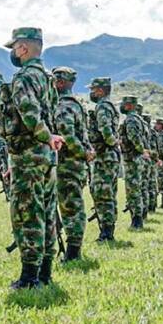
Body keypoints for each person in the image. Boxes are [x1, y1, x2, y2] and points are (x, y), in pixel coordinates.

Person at [0, 27, 64, 289]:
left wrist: (45, 137)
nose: (14, 53)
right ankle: (45, 273)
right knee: (47, 212)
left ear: (23, 48)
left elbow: (29, 114)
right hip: (45, 157)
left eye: (15, 47)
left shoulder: (24, 77)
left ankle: (29, 278)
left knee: (27, 214)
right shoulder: (47, 78)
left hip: (30, 153)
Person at [52, 66, 93, 261]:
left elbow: (66, 135)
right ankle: (73, 249)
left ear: (60, 82)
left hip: (67, 163)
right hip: (76, 164)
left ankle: (73, 253)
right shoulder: (77, 104)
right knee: (73, 204)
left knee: (70, 206)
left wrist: (83, 152)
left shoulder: (63, 105)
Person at [86, 77, 120, 242]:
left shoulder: (102, 107)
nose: (91, 92)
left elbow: (105, 130)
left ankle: (106, 233)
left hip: (105, 155)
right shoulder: (110, 106)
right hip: (110, 154)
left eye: (93, 89)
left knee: (102, 193)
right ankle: (108, 229)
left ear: (100, 90)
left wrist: (112, 143)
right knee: (109, 193)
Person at [119, 96, 149, 229]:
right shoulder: (138, 119)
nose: (122, 106)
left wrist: (141, 150)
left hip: (132, 158)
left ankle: (137, 221)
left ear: (129, 105)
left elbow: (134, 138)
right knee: (136, 188)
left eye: (124, 104)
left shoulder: (131, 119)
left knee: (133, 190)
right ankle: (137, 218)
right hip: (136, 158)